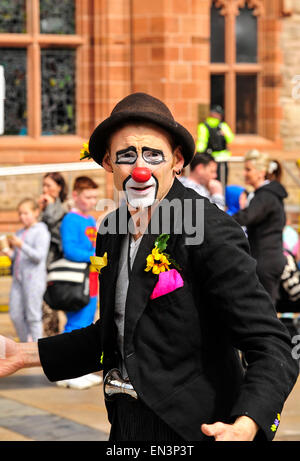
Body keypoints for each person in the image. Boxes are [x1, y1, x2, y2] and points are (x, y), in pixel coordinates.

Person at [0, 93, 298, 442]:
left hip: (193, 429)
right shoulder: (111, 230)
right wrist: (21, 354)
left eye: (153, 154)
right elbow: (114, 334)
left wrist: (246, 424)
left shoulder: (208, 228)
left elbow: (270, 343)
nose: (140, 168)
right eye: (127, 155)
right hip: (127, 424)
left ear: (177, 160)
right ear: (109, 163)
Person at [56, 176, 102, 390]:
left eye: (94, 197)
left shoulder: (90, 220)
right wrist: (95, 256)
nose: (92, 201)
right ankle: (66, 371)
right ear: (76, 195)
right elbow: (70, 250)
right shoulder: (70, 220)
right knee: (74, 325)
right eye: (87, 196)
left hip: (91, 278)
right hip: (77, 279)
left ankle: (79, 369)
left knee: (86, 324)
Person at [232, 150, 288, 305]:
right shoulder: (267, 194)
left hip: (266, 260)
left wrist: (221, 220)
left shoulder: (265, 196)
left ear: (261, 172)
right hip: (270, 258)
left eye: (248, 169)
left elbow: (247, 216)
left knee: (265, 308)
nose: (244, 173)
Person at [1, 198, 50, 342]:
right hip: (18, 279)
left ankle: (37, 348)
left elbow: (39, 256)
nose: (22, 217)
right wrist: (7, 251)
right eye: (20, 214)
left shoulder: (41, 231)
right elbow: (17, 257)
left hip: (34, 280)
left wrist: (21, 245)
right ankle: (25, 344)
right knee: (15, 314)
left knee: (33, 316)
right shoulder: (20, 231)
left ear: (36, 212)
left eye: (26, 213)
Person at [38, 172, 69, 337]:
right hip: (41, 265)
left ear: (59, 187)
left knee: (53, 307)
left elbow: (58, 235)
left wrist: (48, 208)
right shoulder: (44, 209)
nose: (45, 190)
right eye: (43, 186)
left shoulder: (64, 209)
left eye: (49, 185)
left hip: (56, 265)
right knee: (46, 310)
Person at [196, 104, 234, 186]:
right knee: (223, 182)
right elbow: (230, 138)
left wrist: (198, 154)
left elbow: (202, 143)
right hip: (223, 160)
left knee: (210, 182)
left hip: (210, 159)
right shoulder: (223, 125)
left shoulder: (203, 126)